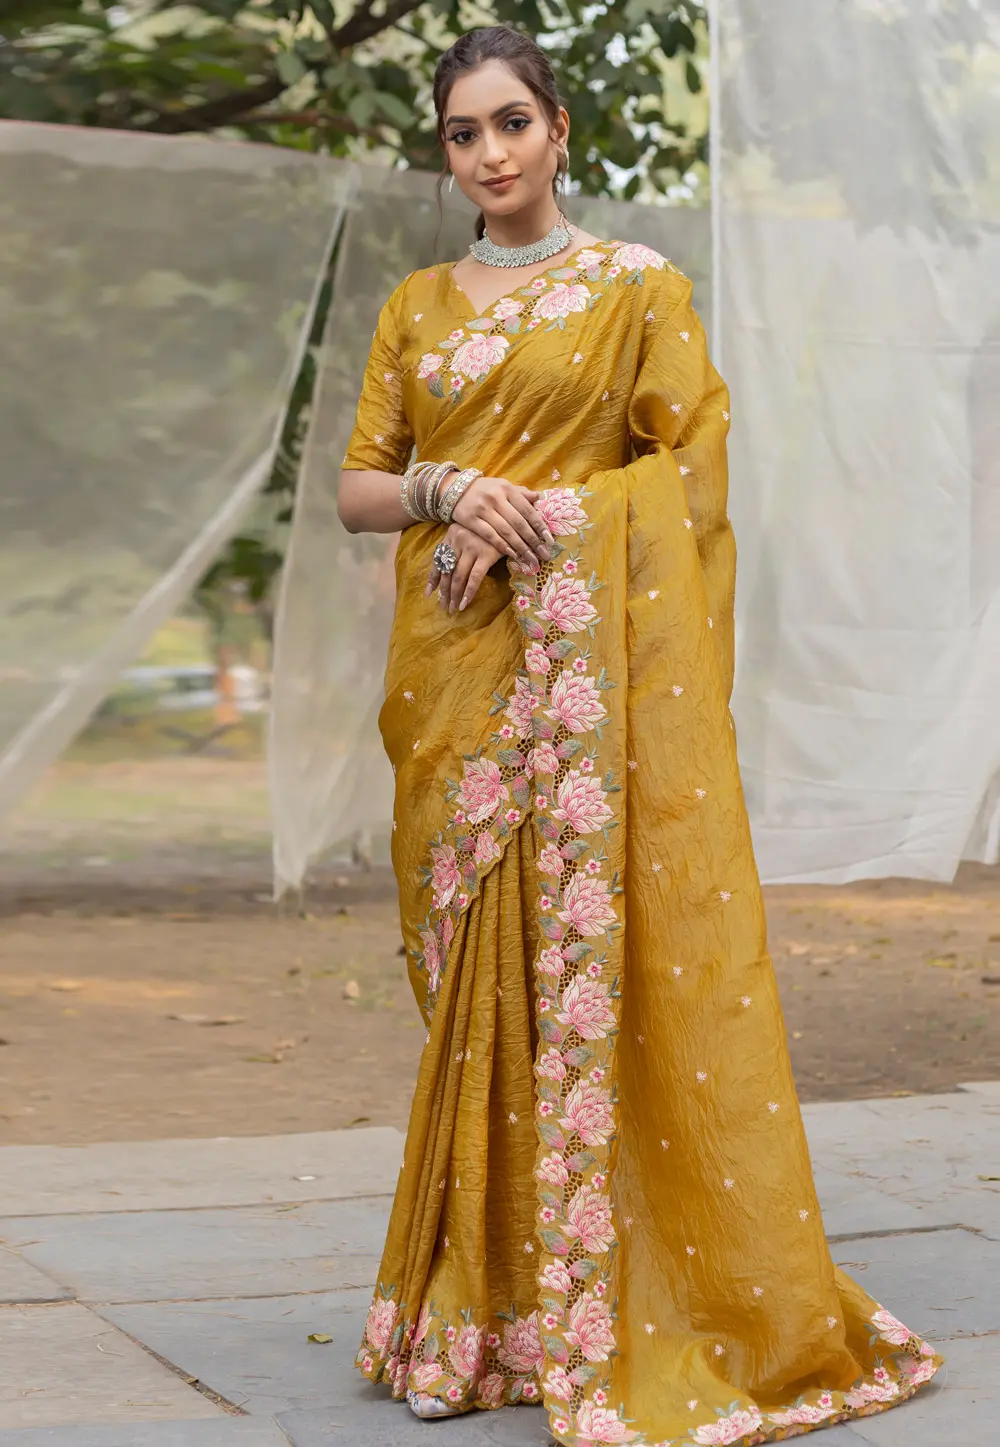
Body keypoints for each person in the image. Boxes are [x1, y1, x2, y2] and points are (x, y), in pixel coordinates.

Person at [337, 22, 942, 1444]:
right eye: (463, 134)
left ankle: (602, 1302)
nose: (489, 153)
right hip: (454, 682)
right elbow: (362, 486)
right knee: (474, 983)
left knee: (583, 982)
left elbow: (692, 479)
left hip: (586, 689)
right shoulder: (417, 306)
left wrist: (549, 516)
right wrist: (447, 491)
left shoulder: (636, 289)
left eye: (511, 123)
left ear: (558, 129)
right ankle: (491, 1303)